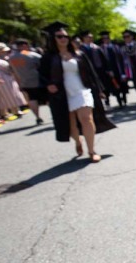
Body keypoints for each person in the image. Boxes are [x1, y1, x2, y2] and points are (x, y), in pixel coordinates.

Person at [40, 22, 115, 162]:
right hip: (62, 94)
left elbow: (91, 73)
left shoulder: (78, 54)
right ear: (52, 39)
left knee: (87, 118)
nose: (63, 39)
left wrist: (99, 90)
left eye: (65, 36)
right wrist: (48, 85)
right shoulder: (48, 58)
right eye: (59, 36)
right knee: (71, 125)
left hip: (82, 90)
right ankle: (77, 141)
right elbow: (42, 76)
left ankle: (92, 151)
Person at [8, 39, 46, 124]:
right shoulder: (30, 55)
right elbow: (42, 63)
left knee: (32, 99)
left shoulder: (12, 57)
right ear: (24, 46)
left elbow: (13, 71)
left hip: (24, 81)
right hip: (37, 80)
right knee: (47, 98)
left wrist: (19, 83)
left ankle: (37, 117)